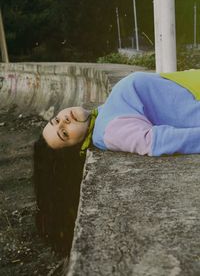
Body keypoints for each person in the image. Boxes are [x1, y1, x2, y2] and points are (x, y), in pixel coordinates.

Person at [33, 70, 200, 254]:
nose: (63, 121)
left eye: (56, 120)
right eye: (64, 133)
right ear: (76, 148)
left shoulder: (102, 115)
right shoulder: (108, 131)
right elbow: (157, 141)